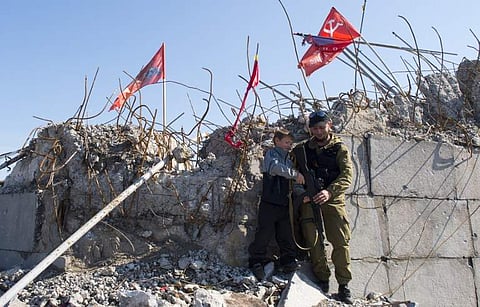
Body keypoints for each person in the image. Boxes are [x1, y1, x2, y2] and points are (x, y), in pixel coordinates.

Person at [291, 110, 354, 304]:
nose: (318, 132)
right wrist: (303, 194)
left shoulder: (339, 148)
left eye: (321, 127)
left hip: (332, 200)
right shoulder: (301, 150)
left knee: (340, 242)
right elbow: (292, 175)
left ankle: (344, 286)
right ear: (310, 129)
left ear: (330, 125)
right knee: (313, 242)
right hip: (310, 201)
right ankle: (322, 281)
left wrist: (329, 192)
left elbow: (347, 176)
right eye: (314, 128)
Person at [248, 128, 305, 281]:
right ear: (277, 141)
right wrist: (295, 174)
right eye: (286, 142)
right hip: (270, 203)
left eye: (290, 143)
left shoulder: (289, 158)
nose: (289, 145)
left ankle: (288, 261)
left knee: (285, 234)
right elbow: (275, 168)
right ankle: (256, 262)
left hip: (284, 204)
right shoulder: (271, 154)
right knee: (264, 234)